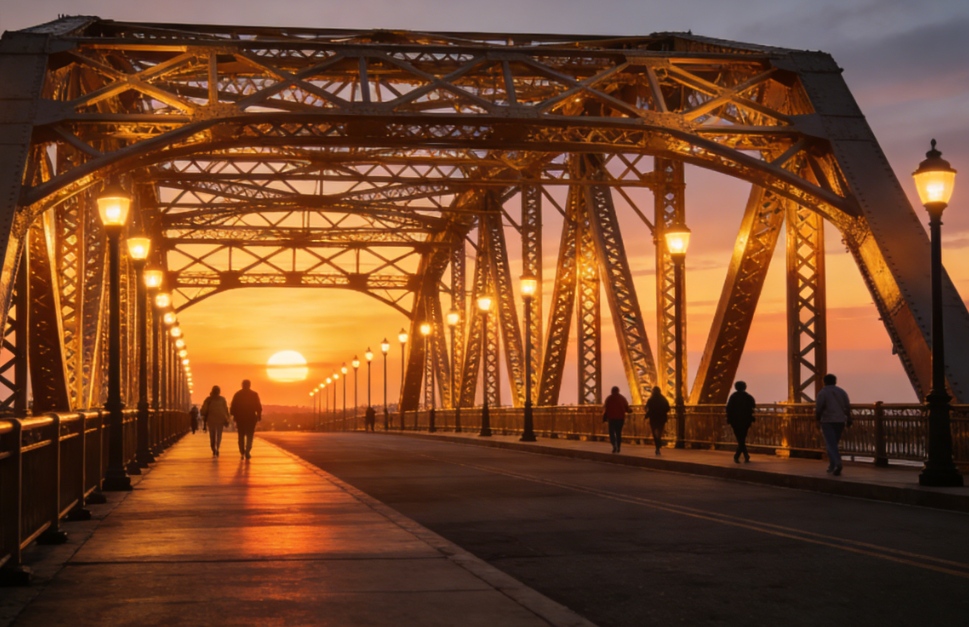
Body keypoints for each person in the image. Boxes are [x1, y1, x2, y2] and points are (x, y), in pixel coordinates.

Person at [815, 373, 852, 476]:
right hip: (840, 421)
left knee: (830, 444)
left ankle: (837, 463)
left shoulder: (822, 393)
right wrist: (848, 418)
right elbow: (847, 407)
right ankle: (832, 465)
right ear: (835, 381)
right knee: (833, 443)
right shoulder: (842, 392)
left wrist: (817, 420)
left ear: (824, 382)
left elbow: (819, 408)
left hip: (827, 421)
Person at [231, 379, 263, 460]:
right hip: (251, 418)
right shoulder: (254, 394)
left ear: (242, 385)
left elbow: (233, 406)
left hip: (240, 418)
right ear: (249, 385)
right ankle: (247, 450)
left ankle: (242, 451)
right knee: (250, 435)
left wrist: (234, 415)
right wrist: (259, 415)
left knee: (241, 435)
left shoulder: (238, 394)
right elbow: (258, 406)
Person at [725, 381, 756, 463]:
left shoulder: (733, 397)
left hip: (735, 421)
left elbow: (728, 409)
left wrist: (729, 418)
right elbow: (753, 405)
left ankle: (740, 456)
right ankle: (743, 456)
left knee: (740, 438)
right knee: (742, 438)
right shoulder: (748, 397)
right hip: (745, 420)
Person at [200, 386, 229, 457]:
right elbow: (226, 410)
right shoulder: (222, 399)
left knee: (212, 435)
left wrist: (203, 414)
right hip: (220, 419)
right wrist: (227, 418)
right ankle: (217, 447)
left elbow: (204, 410)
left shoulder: (208, 399)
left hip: (211, 419)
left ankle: (213, 448)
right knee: (219, 435)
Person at [602, 386, 631, 453]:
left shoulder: (609, 398)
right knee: (618, 433)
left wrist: (604, 417)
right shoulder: (622, 398)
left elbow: (605, 408)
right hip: (620, 419)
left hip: (611, 419)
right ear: (618, 390)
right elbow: (627, 408)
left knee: (611, 433)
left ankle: (614, 445)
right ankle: (618, 447)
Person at [645, 386, 671, 455]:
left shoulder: (651, 399)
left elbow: (647, 408)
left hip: (653, 418)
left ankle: (657, 446)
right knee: (659, 432)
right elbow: (668, 408)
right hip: (661, 418)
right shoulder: (663, 399)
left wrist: (646, 415)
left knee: (654, 432)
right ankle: (658, 444)